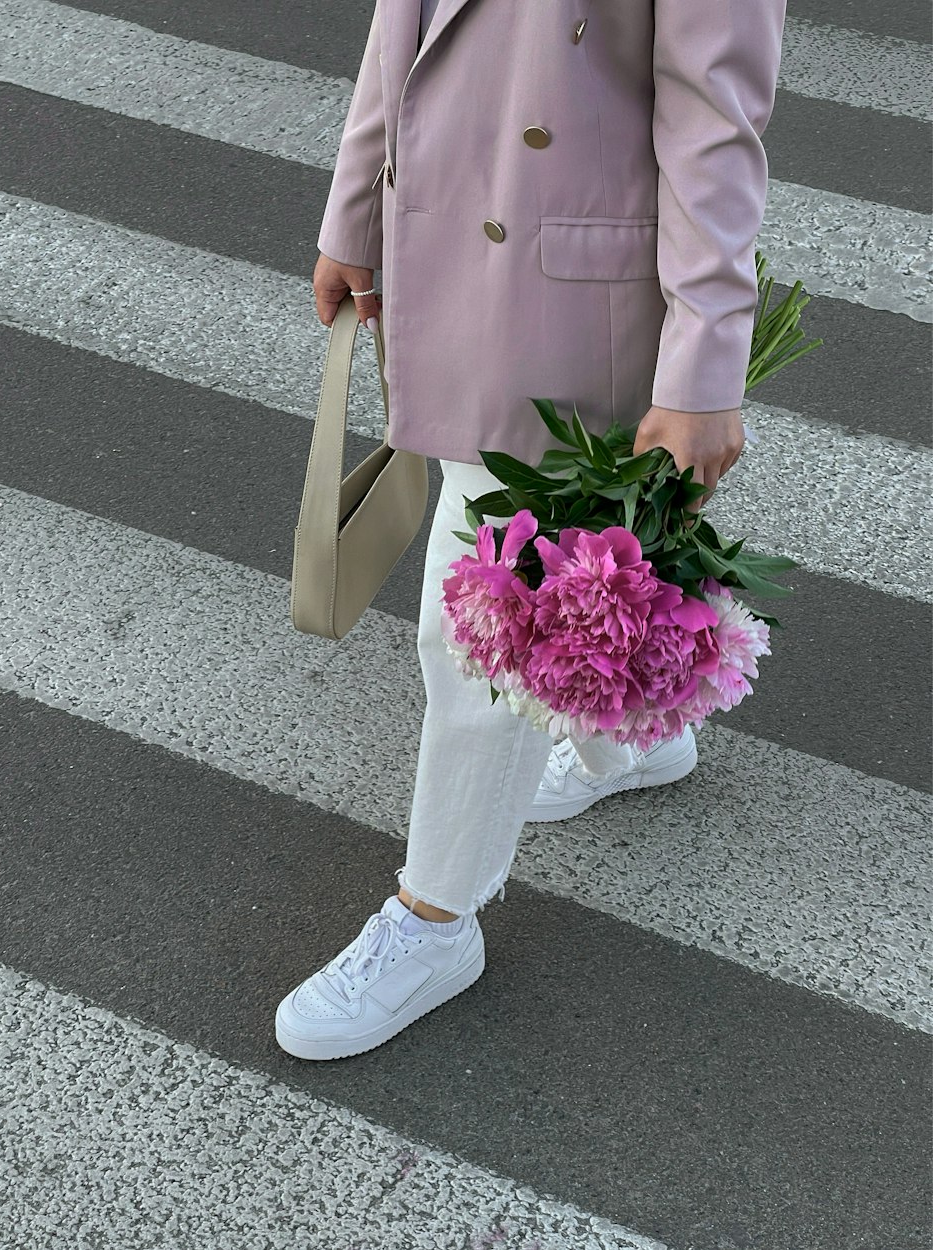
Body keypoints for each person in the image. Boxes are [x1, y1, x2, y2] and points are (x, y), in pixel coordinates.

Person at [275, 0, 786, 1061]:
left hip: (569, 288)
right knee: (548, 593)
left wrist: (702, 365)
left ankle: (434, 918)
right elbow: (401, 31)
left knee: (478, 624)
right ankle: (625, 743)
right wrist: (353, 216)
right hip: (450, 243)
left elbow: (714, 118)